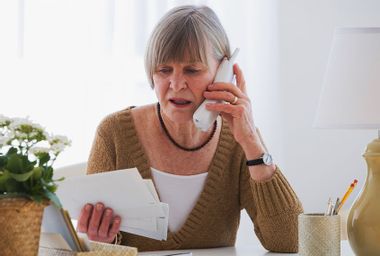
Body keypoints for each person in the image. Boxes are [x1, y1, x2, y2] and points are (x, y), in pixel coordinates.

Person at [77, 5, 303, 253]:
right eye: (164, 70)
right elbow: (91, 248)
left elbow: (292, 241)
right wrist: (102, 241)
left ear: (223, 73)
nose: (176, 84)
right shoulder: (114, 134)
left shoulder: (240, 139)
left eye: (192, 70)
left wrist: (251, 143)